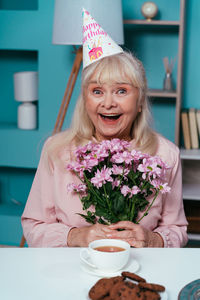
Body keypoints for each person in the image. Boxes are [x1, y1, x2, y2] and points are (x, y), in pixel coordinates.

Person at [21, 9, 188, 248]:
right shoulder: (56, 150)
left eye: (121, 91)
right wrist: (76, 236)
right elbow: (33, 225)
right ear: (85, 100)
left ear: (140, 101)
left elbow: (177, 229)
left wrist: (153, 239)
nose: (108, 103)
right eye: (97, 91)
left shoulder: (166, 154)